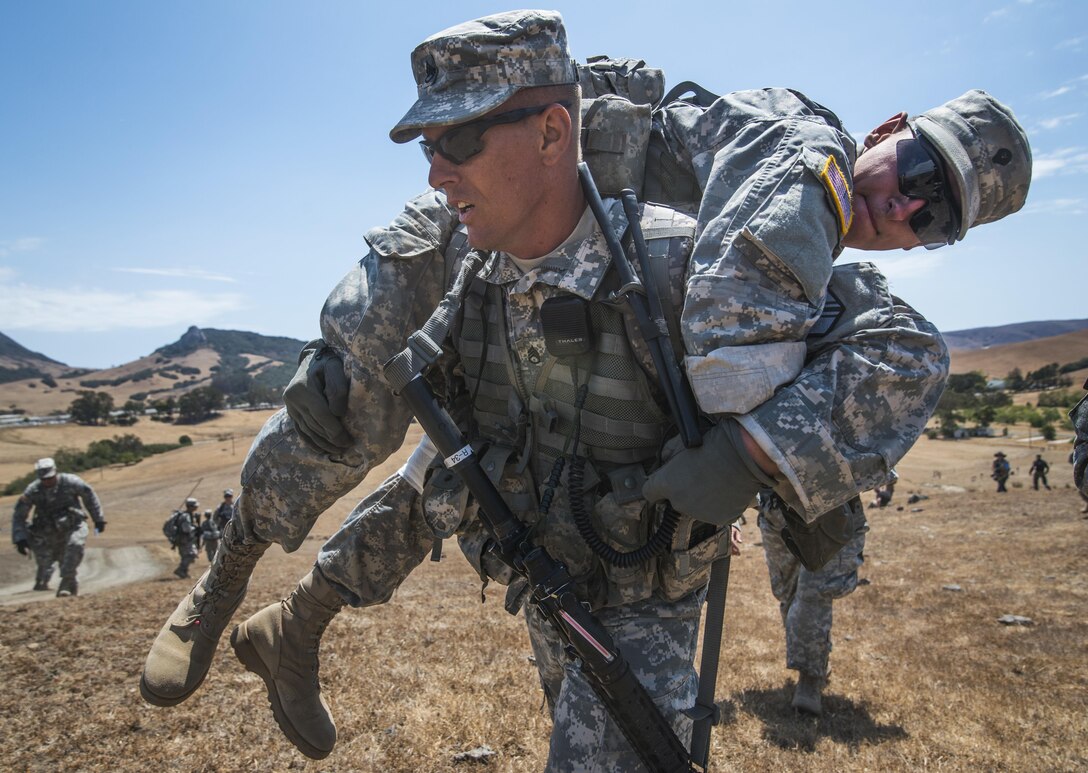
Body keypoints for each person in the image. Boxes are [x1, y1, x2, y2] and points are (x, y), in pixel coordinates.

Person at [140, 9, 1032, 762]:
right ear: (887, 133)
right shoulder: (798, 155)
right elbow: (728, 264)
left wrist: (764, 456)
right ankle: (224, 584)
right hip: (517, 209)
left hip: (607, 502)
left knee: (487, 449)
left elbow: (899, 349)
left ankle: (300, 617)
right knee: (337, 404)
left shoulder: (825, 280)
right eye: (919, 176)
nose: (909, 211)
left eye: (941, 219)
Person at [756, 492, 868, 715]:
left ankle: (810, 678)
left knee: (813, 594)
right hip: (778, 511)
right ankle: (816, 658)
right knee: (788, 595)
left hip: (831, 509)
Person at [10, 457, 106, 597]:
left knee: (75, 545)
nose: (47, 481)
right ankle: (70, 585)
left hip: (74, 524)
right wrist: (20, 538)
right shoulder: (33, 490)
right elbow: (19, 515)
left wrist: (98, 519)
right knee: (60, 560)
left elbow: (89, 496)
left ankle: (65, 584)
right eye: (44, 479)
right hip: (49, 532)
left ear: (56, 472)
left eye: (50, 478)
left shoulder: (71, 482)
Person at [166, 498, 200, 579]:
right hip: (184, 540)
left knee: (187, 556)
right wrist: (194, 528)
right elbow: (186, 529)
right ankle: (180, 570)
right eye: (195, 506)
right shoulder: (186, 516)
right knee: (190, 555)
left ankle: (184, 573)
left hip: (184, 539)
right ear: (191, 506)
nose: (196, 507)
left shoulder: (187, 515)